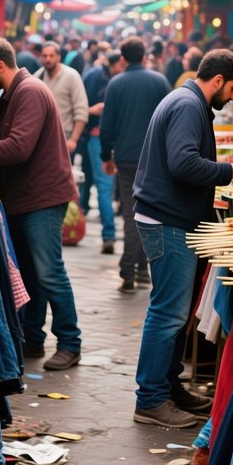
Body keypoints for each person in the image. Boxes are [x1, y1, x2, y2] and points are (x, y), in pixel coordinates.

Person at [132, 49, 233, 428]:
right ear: (217, 80)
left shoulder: (186, 101)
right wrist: (229, 170)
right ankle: (150, 399)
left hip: (170, 217)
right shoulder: (188, 104)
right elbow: (182, 162)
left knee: (174, 311)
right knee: (168, 313)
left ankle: (169, 388)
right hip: (166, 221)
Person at [0, 38, 82, 372]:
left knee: (50, 272)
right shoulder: (17, 92)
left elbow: (19, 148)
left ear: (0, 66)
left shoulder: (30, 92)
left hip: (43, 198)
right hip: (25, 197)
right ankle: (32, 338)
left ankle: (70, 342)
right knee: (31, 273)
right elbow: (14, 138)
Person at [101, 36, 172, 287]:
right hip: (154, 159)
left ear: (123, 58)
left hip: (127, 158)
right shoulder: (160, 81)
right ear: (144, 56)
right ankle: (141, 268)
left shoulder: (116, 84)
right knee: (147, 213)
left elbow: (107, 124)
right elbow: (170, 119)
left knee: (132, 216)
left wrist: (105, 155)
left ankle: (129, 270)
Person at [81, 49, 124, 255]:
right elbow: (80, 106)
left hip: (116, 140)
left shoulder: (119, 79)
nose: (123, 70)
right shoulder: (94, 76)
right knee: (104, 186)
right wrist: (94, 109)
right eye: (121, 66)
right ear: (114, 64)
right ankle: (109, 235)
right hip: (97, 137)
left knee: (105, 185)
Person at [35, 41, 88, 155]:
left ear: (59, 57)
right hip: (41, 136)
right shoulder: (37, 77)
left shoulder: (72, 76)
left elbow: (81, 109)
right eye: (44, 56)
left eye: (51, 56)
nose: (48, 59)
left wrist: (73, 140)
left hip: (65, 135)